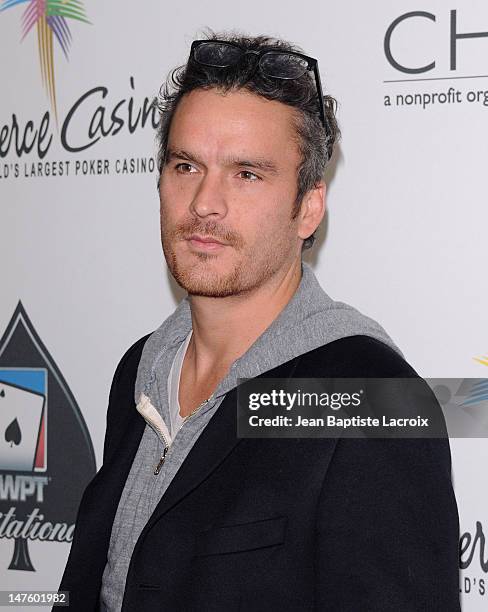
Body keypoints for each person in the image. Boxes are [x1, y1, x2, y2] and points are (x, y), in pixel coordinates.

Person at [57, 33, 460, 611]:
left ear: (308, 207)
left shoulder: (370, 397)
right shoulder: (142, 371)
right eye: (186, 165)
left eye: (247, 174)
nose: (204, 202)